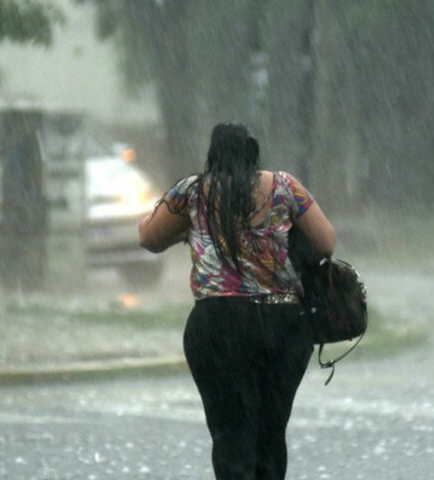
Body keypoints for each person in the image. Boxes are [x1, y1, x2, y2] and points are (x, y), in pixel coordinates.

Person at [138, 122, 335, 479]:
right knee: (271, 430)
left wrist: (184, 225)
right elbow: (325, 243)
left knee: (230, 432)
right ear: (252, 151)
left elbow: (150, 238)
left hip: (218, 325)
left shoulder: (193, 192)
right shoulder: (285, 186)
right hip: (283, 325)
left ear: (213, 155)